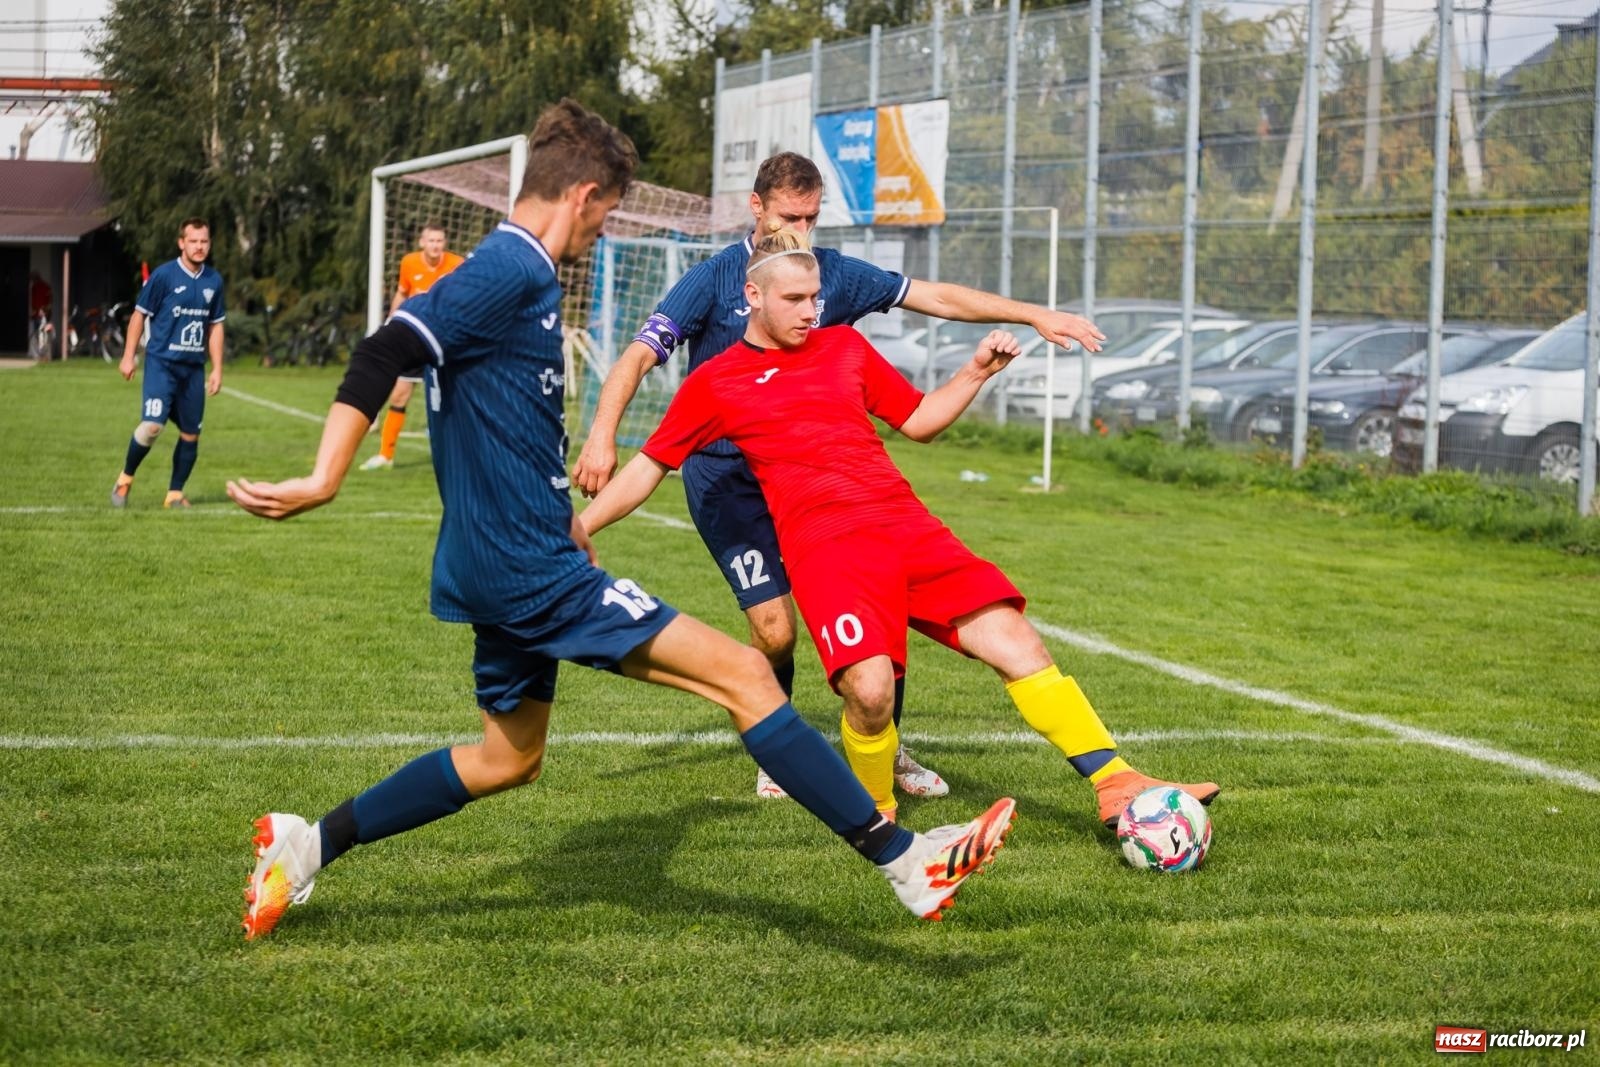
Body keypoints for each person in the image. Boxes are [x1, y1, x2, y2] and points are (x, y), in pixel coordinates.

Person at [225, 100, 1016, 941]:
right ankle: (908, 863)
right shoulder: (513, 270)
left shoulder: (518, 277)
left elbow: (489, 413)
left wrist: (562, 509)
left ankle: (306, 845)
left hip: (499, 560)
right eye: (606, 214)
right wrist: (324, 477)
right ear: (582, 195)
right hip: (532, 571)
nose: (603, 233)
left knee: (507, 758)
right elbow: (386, 350)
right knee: (749, 678)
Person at [580, 230, 1219, 828]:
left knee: (1019, 643)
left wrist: (974, 374)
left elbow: (917, 421)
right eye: (796, 300)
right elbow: (648, 468)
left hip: (907, 527)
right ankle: (876, 821)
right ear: (753, 296)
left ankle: (1117, 783)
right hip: (828, 550)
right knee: (871, 691)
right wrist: (578, 529)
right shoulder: (715, 382)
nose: (812, 311)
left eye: (816, 298)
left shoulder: (845, 347)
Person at [112, 218, 226, 509]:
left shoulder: (214, 280)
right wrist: (129, 355)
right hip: (161, 364)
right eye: (194, 241)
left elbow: (215, 326)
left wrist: (217, 368)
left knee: (191, 434)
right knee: (152, 426)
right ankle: (125, 479)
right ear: (181, 243)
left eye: (204, 241)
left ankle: (174, 494)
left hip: (192, 370)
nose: (200, 247)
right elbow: (139, 315)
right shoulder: (163, 276)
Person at [359, 221, 465, 471]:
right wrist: (392, 320)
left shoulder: (457, 264)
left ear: (444, 243)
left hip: (445, 340)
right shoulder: (409, 263)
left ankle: (460, 456)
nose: (436, 245)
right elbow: (402, 292)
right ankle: (386, 455)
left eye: (440, 241)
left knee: (455, 399)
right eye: (431, 240)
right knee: (399, 393)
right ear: (422, 242)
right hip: (415, 339)